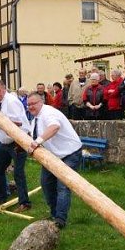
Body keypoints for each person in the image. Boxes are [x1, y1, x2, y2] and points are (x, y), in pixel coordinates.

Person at [26, 93, 83, 229]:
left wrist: (38, 142)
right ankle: (53, 214)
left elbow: (54, 127)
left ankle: (60, 220)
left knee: (63, 186)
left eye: (33, 103)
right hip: (53, 155)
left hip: (70, 153)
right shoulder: (36, 119)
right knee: (46, 183)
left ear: (41, 102)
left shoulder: (48, 113)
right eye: (28, 105)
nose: (30, 107)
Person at [0, 79, 32, 212]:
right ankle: (1, 198)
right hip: (5, 142)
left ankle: (25, 203)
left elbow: (17, 124)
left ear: (4, 88)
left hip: (18, 142)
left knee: (18, 173)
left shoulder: (11, 101)